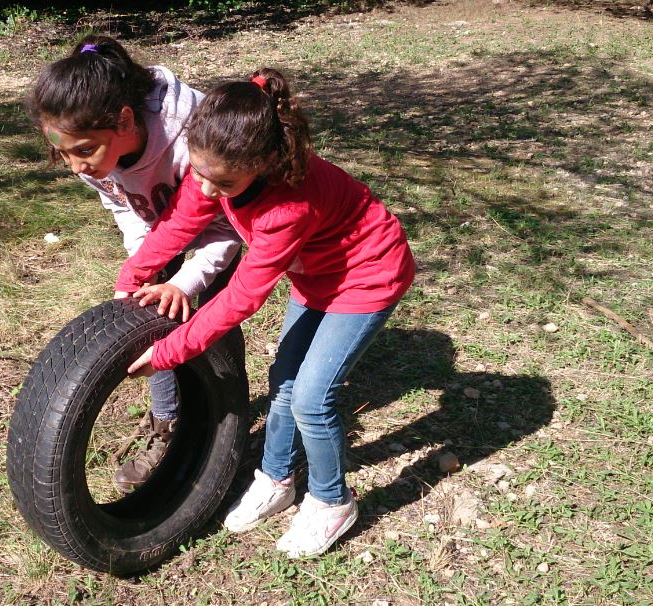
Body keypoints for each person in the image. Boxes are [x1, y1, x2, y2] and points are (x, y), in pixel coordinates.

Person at [116, 68, 415, 558]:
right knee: (284, 380)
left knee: (313, 399)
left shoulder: (285, 207)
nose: (208, 190)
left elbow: (242, 297)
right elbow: (175, 227)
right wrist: (130, 280)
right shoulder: (214, 170)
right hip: (317, 275)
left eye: (224, 182)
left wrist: (171, 351)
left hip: (368, 276)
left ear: (265, 162)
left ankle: (332, 500)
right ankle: (277, 477)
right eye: (200, 172)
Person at [27, 34, 241, 493]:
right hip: (162, 230)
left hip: (221, 226)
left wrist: (187, 281)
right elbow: (126, 206)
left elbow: (227, 228)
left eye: (82, 151)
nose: (74, 167)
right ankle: (168, 422)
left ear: (125, 120)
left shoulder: (196, 135)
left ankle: (228, 424)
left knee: (217, 324)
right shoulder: (90, 153)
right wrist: (145, 263)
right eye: (62, 154)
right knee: (150, 318)